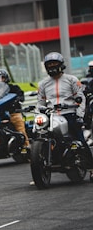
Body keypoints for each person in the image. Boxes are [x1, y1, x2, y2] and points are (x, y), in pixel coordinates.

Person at [37, 52, 93, 182]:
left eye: (54, 64)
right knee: (39, 136)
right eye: (49, 64)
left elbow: (81, 98)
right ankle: (38, 170)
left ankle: (91, 168)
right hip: (51, 115)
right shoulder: (43, 84)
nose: (52, 66)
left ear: (61, 65)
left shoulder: (71, 80)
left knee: (80, 139)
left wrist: (79, 115)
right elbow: (40, 102)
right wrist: (39, 111)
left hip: (70, 114)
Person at [0, 69, 29, 152]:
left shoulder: (13, 88)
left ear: (6, 78)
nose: (0, 80)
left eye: (2, 78)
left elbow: (21, 96)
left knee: (19, 126)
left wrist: (17, 99)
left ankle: (26, 147)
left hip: (13, 112)